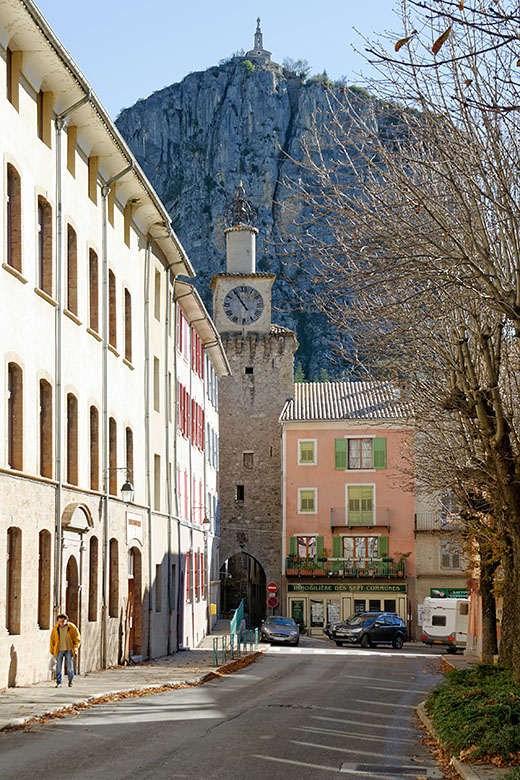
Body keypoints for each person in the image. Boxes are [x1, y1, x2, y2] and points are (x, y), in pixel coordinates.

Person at [49, 613, 81, 687]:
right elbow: (52, 640)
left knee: (70, 667)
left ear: (66, 620)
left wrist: (76, 646)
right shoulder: (55, 629)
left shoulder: (72, 627)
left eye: (63, 621)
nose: (61, 623)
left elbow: (77, 637)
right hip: (59, 650)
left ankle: (70, 681)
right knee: (58, 667)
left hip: (69, 649)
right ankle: (59, 682)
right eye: (60, 621)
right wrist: (52, 650)